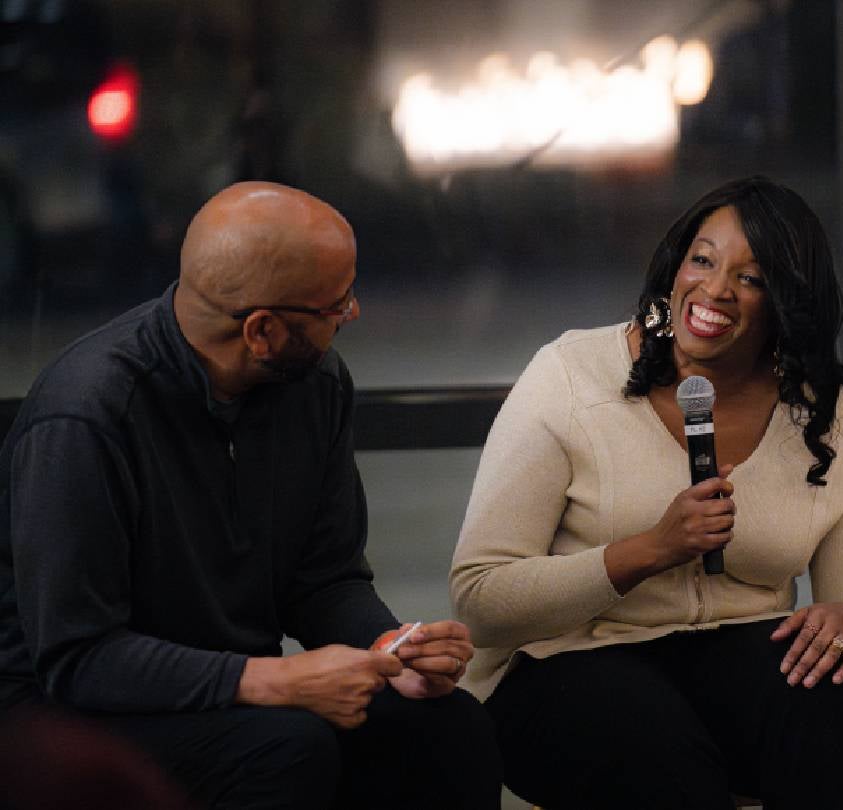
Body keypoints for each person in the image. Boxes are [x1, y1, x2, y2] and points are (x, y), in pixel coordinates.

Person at [0, 181, 501, 809]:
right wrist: (273, 679)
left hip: (227, 684)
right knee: (286, 749)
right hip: (65, 712)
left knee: (448, 729)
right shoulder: (87, 414)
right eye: (337, 304)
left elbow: (324, 581)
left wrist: (391, 650)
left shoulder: (314, 383)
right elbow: (79, 657)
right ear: (262, 331)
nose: (353, 314)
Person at [451, 176, 843, 809]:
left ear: (786, 302)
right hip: (562, 667)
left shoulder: (822, 419)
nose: (715, 289)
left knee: (825, 697)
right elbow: (481, 600)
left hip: (732, 662)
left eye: (750, 278)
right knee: (653, 743)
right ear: (676, 266)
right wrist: (649, 550)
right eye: (702, 260)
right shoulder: (571, 375)